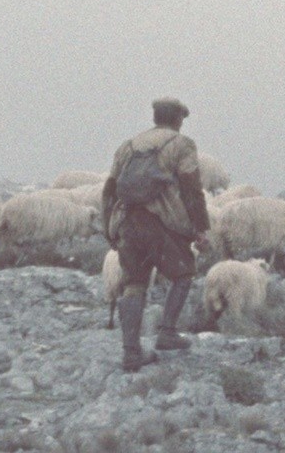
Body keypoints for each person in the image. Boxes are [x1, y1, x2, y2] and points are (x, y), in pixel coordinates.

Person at [102, 97, 210, 371]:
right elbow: (191, 188)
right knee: (184, 273)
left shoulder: (128, 146)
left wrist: (108, 227)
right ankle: (167, 333)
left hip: (128, 223)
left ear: (154, 118)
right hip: (161, 224)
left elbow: (109, 189)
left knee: (134, 283)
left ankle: (131, 352)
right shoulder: (181, 144)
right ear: (178, 119)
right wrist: (201, 229)